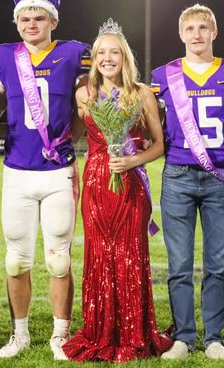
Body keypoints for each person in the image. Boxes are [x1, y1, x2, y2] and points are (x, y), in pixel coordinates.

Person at [0, 0, 90, 360]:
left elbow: (85, 106)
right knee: (15, 258)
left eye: (39, 17)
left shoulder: (74, 53)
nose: (32, 23)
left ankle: (60, 335)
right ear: (17, 23)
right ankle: (20, 334)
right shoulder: (1, 55)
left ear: (53, 21)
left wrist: (70, 138)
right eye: (25, 18)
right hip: (17, 170)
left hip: (57, 171)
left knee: (59, 257)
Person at [61, 19, 173, 362]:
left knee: (128, 256)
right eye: (101, 53)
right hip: (96, 182)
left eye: (114, 52)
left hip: (129, 184)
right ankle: (99, 331)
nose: (107, 58)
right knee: (99, 255)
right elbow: (73, 133)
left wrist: (133, 160)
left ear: (125, 57)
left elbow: (160, 144)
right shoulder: (84, 93)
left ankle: (133, 333)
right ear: (94, 58)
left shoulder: (141, 94)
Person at [151, 4, 224, 360]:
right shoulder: (162, 76)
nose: (196, 34)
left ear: (214, 33)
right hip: (177, 175)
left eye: (203, 27)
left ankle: (215, 338)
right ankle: (184, 336)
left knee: (217, 263)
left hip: (219, 176)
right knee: (178, 265)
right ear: (181, 34)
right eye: (190, 28)